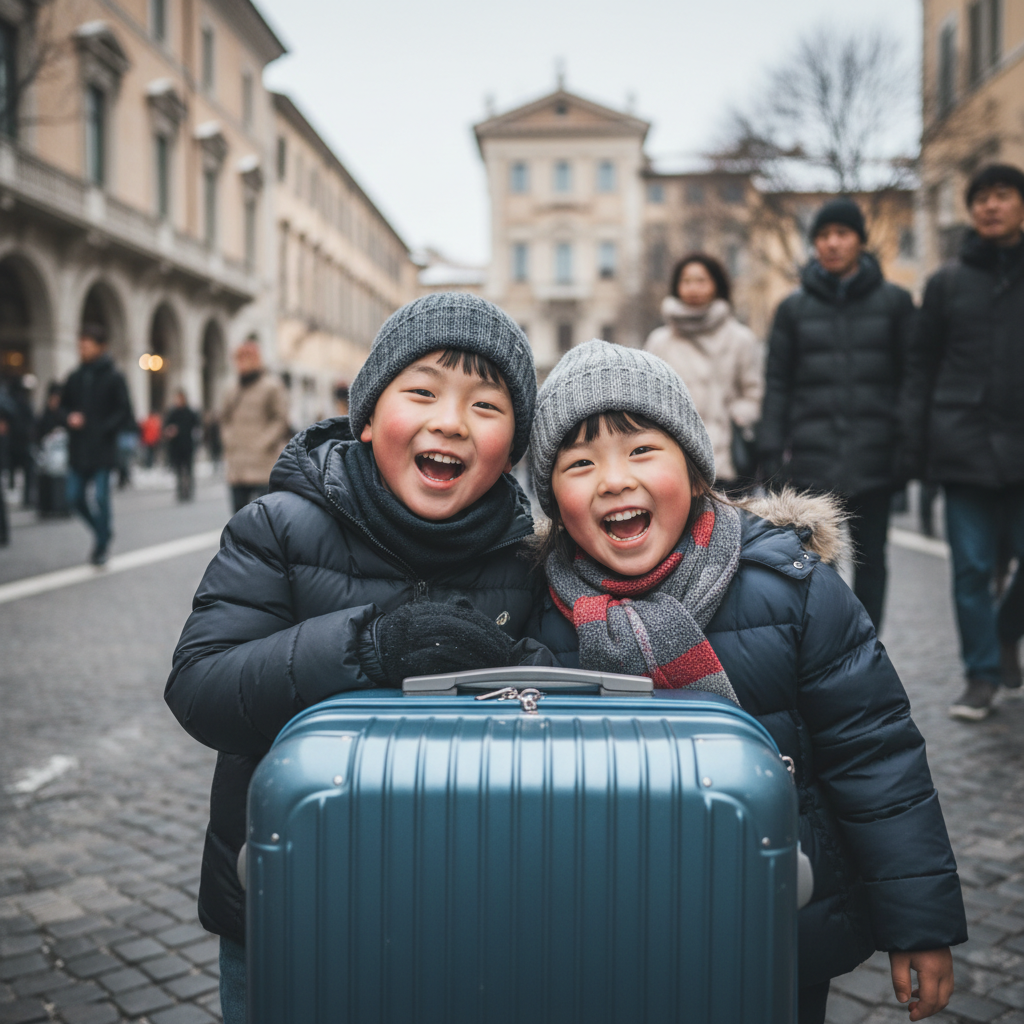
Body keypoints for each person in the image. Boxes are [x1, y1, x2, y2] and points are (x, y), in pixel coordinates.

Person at [526, 340, 966, 1024]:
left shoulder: (792, 590)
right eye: (579, 463)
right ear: (553, 496)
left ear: (697, 471)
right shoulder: (539, 617)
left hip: (777, 915)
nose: (613, 479)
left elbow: (876, 758)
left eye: (641, 450)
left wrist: (919, 922)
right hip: (609, 927)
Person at [165, 292, 549, 1024]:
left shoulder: (528, 560)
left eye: (486, 406)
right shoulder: (277, 527)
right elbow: (201, 686)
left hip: (469, 907)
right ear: (369, 417)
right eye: (423, 392)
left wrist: (508, 658)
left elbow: (563, 701)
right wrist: (367, 645)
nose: (450, 421)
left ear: (513, 447)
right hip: (291, 896)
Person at [902, 164, 1024, 720]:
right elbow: (921, 368)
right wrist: (921, 449)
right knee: (971, 569)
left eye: (1002, 196)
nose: (990, 206)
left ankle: (1003, 635)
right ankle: (979, 675)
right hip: (963, 444)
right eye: (981, 198)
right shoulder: (946, 282)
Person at [759, 197, 915, 631]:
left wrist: (907, 445)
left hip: (876, 456)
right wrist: (771, 447)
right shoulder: (792, 309)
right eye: (823, 236)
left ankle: (868, 644)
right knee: (815, 562)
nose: (831, 243)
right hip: (812, 459)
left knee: (873, 562)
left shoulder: (896, 303)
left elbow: (911, 379)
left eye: (841, 234)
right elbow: (778, 383)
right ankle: (824, 647)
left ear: (860, 241)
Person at [644, 253, 762, 489]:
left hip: (725, 459)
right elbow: (646, 395)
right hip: (673, 461)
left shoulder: (740, 339)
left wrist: (736, 417)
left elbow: (754, 393)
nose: (693, 288)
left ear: (717, 285)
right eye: (686, 281)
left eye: (701, 280)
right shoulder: (659, 341)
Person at [60, 324, 133, 565]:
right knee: (74, 497)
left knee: (102, 498)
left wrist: (103, 429)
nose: (82, 350)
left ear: (101, 347)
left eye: (87, 346)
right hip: (78, 448)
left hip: (102, 448)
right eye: (81, 346)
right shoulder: (75, 376)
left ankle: (101, 547)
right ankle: (102, 532)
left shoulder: (113, 376)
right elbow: (59, 407)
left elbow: (124, 410)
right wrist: (69, 417)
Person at [219, 337, 291, 513]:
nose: (243, 363)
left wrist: (263, 442)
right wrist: (229, 440)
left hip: (263, 464)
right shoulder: (232, 389)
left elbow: (280, 418)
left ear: (257, 359)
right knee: (238, 518)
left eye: (248, 358)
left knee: (264, 518)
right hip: (237, 465)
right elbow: (224, 419)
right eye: (240, 358)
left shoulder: (271, 386)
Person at [163, 389, 201, 502]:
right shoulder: (172, 413)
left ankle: (189, 490)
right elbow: (166, 426)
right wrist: (169, 431)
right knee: (178, 470)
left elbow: (196, 425)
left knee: (188, 469)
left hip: (187, 445)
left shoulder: (190, 412)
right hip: (176, 447)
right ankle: (180, 491)